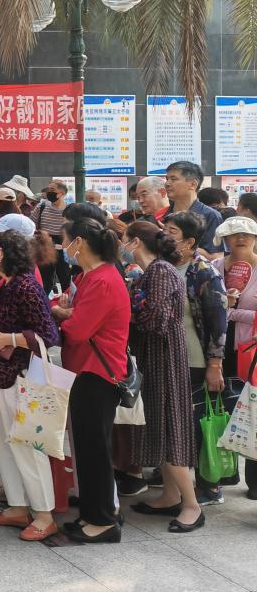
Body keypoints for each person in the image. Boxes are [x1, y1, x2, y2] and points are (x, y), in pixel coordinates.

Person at [121, 221, 203, 532]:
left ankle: (192, 505)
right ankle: (170, 495)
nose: (122, 246)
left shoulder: (160, 272)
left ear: (136, 242)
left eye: (125, 239)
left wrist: (124, 314)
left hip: (163, 357)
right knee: (160, 424)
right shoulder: (154, 271)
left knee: (169, 427)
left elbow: (155, 319)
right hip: (155, 355)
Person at [53, 217, 130, 543]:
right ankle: (93, 514)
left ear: (79, 243)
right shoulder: (93, 276)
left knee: (94, 449)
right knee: (87, 448)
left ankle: (103, 521)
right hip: (88, 370)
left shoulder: (101, 280)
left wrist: (60, 316)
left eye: (65, 240)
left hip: (97, 373)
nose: (62, 247)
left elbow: (78, 329)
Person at [0, 230, 60, 540]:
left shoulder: (26, 286)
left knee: (28, 445)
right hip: (3, 375)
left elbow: (48, 335)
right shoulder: (8, 284)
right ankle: (17, 504)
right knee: (4, 443)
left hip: (22, 376)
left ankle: (44, 514)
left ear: (4, 252)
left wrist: (9, 339)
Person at [162, 210, 230, 505]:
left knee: (200, 423)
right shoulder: (164, 266)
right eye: (164, 229)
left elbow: (218, 322)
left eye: (172, 232)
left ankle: (209, 485)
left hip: (196, 360)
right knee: (177, 424)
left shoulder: (204, 272)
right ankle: (175, 486)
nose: (164, 235)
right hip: (169, 359)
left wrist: (215, 364)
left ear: (189, 241)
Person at [215, 215, 257, 498]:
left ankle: (255, 482)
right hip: (217, 350)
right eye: (234, 233)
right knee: (219, 410)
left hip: (251, 351)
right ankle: (222, 472)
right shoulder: (215, 267)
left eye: (247, 233)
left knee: (253, 412)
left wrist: (230, 312)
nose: (241, 238)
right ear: (224, 238)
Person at [165, 161, 223, 257]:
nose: (167, 183)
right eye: (167, 179)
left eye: (173, 179)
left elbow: (216, 257)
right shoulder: (162, 215)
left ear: (193, 184)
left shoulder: (210, 216)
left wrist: (178, 243)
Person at [31, 179, 70, 293]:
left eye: (52, 189)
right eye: (49, 189)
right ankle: (44, 301)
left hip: (63, 248)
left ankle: (66, 300)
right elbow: (31, 225)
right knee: (45, 281)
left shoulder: (69, 210)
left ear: (62, 193)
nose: (49, 192)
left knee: (65, 279)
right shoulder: (41, 206)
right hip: (44, 247)